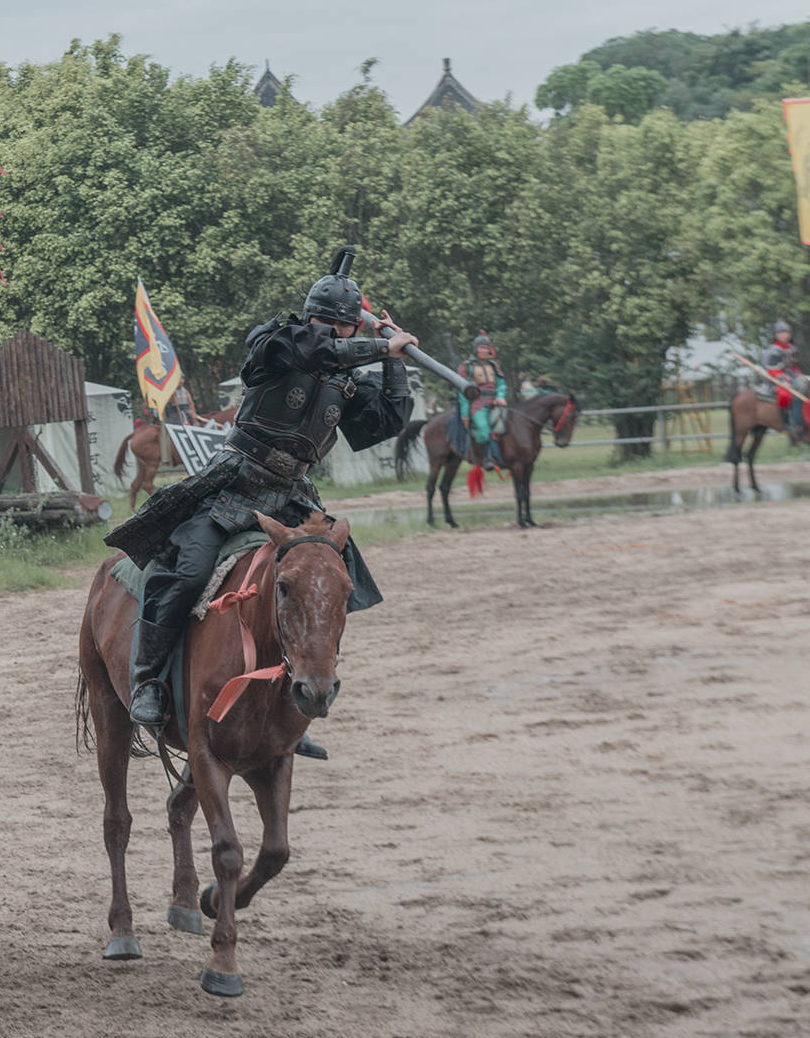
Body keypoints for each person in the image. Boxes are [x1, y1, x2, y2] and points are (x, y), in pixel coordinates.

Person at [105, 258, 415, 743]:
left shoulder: (348, 376)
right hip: (234, 483)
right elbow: (315, 348)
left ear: (353, 324)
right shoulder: (277, 342)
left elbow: (386, 423)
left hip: (294, 495)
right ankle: (148, 680)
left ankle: (301, 693)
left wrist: (394, 359)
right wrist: (376, 343)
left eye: (340, 326)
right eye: (324, 322)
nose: (329, 331)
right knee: (187, 571)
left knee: (331, 583)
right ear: (309, 317)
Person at [457, 333, 510, 467]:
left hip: (495, 402)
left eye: (486, 348)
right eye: (481, 347)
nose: (484, 350)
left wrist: (500, 396)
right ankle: (487, 459)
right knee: (483, 428)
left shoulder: (493, 365)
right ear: (476, 348)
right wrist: (465, 413)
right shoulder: (467, 366)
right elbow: (463, 391)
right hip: (477, 404)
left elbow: (501, 383)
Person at [760, 320, 805, 443]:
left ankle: (803, 421)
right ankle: (787, 423)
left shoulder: (793, 349)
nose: (784, 335)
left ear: (789, 335)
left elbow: (795, 367)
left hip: (792, 377)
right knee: (784, 394)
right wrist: (782, 380)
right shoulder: (772, 350)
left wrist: (799, 375)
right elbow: (772, 370)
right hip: (776, 379)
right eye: (781, 333)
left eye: (786, 332)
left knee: (805, 387)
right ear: (776, 335)